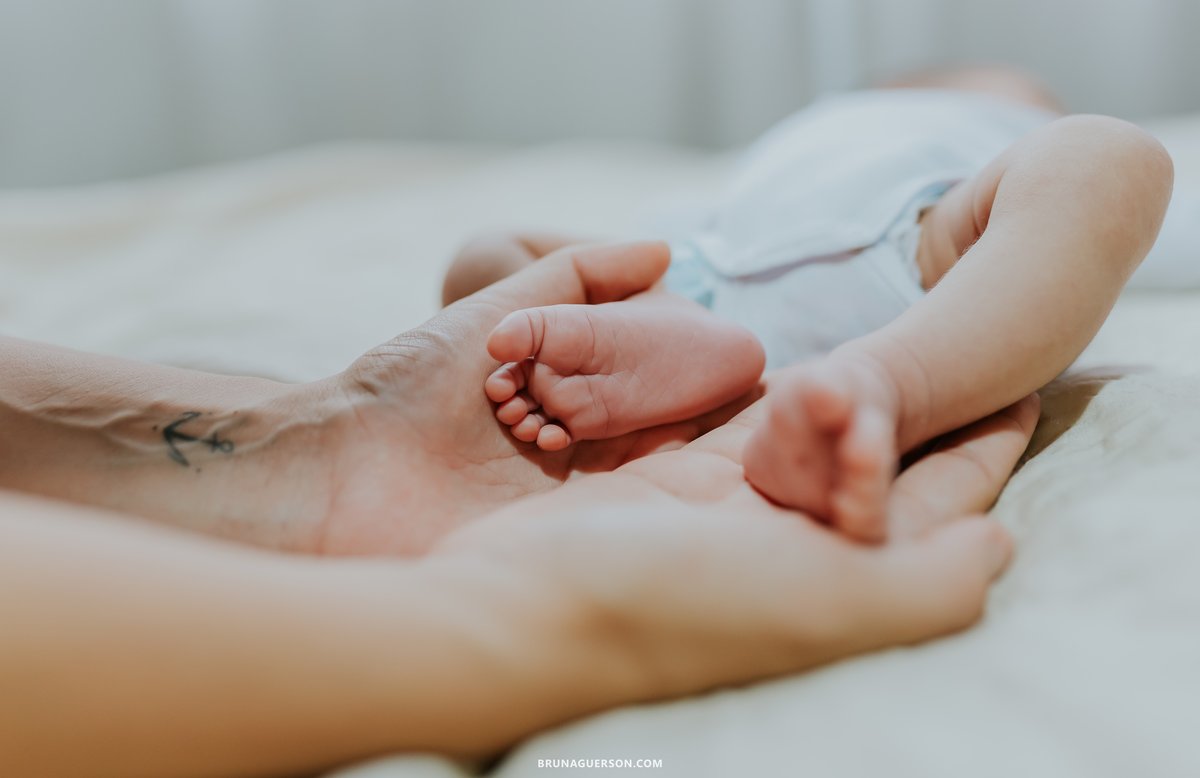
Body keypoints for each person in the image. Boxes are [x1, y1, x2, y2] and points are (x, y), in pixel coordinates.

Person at [0, 240, 1037, 776]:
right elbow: (507, 258)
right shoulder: (760, 200)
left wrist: (328, 445)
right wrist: (527, 622)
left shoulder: (958, 154)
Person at [444, 67, 1173, 542]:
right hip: (731, 270)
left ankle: (878, 380)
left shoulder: (936, 136)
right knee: (488, 254)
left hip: (888, 253)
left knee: (1105, 157)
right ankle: (834, 378)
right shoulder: (868, 125)